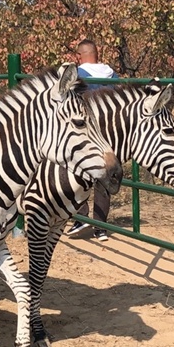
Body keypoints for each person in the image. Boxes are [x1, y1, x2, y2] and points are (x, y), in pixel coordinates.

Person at [67, 39, 118, 242]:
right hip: (111, 132)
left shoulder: (78, 76)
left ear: (79, 56)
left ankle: (81, 216)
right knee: (104, 176)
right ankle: (101, 227)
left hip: (87, 133)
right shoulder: (113, 75)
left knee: (77, 170)